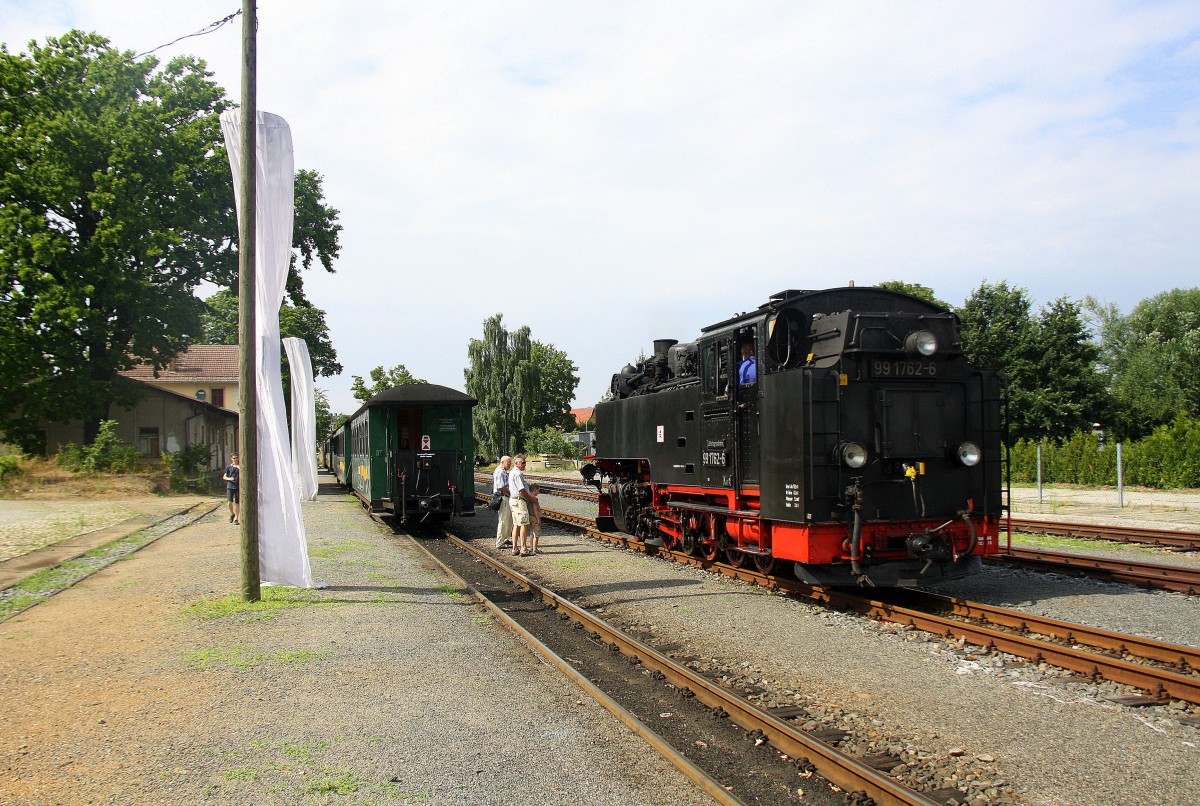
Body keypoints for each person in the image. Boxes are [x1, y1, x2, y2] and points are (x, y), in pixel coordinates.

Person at [508, 454, 535, 555]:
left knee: (516, 524)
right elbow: (521, 490)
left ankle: (515, 548)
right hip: (519, 501)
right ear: (516, 463)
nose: (524, 465)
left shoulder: (512, 472)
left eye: (525, 462)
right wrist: (531, 498)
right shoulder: (518, 474)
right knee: (524, 524)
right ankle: (523, 548)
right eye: (522, 463)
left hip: (513, 500)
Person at [493, 455, 513, 549]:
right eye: (508, 462)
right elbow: (501, 487)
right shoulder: (500, 472)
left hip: (505, 497)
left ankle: (505, 538)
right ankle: (500, 542)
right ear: (502, 462)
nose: (510, 464)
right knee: (504, 520)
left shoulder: (503, 471)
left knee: (508, 520)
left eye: (510, 462)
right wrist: (512, 491)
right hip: (503, 497)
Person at [222, 454, 240, 525]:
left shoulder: (240, 467)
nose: (235, 459)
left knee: (237, 503)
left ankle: (236, 518)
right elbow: (224, 477)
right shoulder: (228, 467)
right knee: (230, 502)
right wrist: (229, 479)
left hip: (238, 486)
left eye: (236, 458)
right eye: (234, 458)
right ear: (231, 459)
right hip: (230, 486)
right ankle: (232, 513)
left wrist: (239, 468)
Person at [527, 483, 542, 555]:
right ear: (535, 490)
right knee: (536, 533)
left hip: (529, 516)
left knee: (531, 533)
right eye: (538, 490)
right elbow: (535, 509)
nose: (539, 492)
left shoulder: (528, 497)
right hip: (534, 517)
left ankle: (531, 547)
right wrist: (538, 519)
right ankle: (535, 549)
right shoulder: (534, 499)